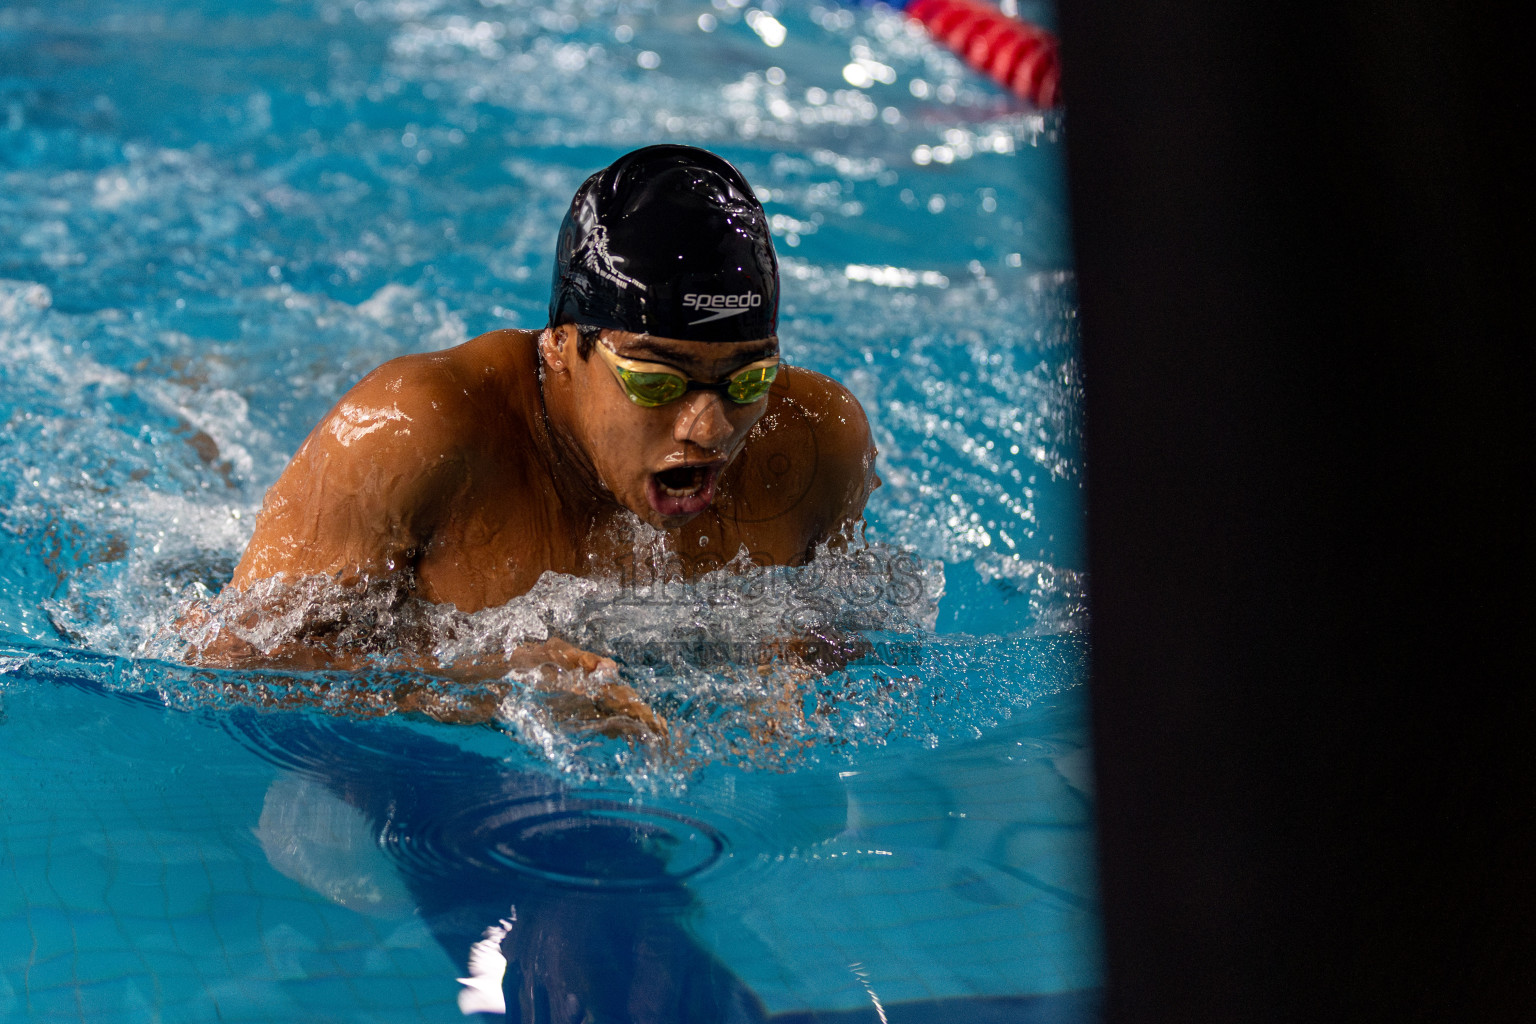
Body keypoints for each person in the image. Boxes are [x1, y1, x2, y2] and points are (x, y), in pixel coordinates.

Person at [188, 145, 878, 730]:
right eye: (657, 383)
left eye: (746, 380)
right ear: (559, 346)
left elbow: (839, 634)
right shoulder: (412, 433)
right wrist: (474, 687)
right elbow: (226, 661)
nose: (710, 428)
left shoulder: (816, 446)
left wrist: (794, 674)